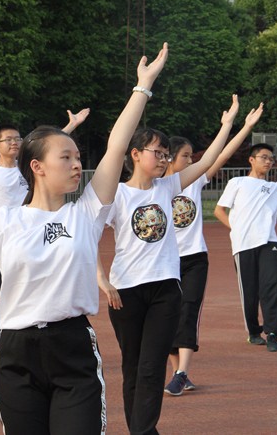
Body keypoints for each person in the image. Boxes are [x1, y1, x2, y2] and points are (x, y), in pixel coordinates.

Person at [0, 44, 168, 435]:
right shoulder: (4, 222)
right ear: (37, 167)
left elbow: (117, 146)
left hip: (72, 347)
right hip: (16, 352)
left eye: (78, 157)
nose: (77, 164)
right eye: (66, 158)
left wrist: (143, 86)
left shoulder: (87, 212)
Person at [96, 94, 234, 434]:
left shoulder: (168, 185)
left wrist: (227, 126)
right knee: (133, 367)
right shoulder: (116, 194)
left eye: (165, 154)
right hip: (125, 292)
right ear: (135, 155)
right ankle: (140, 429)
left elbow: (206, 162)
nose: (164, 158)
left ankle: (144, 430)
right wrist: (104, 281)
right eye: (157, 153)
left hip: (165, 288)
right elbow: (87, 239)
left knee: (153, 365)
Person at [163, 96, 265, 395]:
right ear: (169, 158)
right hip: (165, 261)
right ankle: (177, 372)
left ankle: (182, 373)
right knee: (168, 315)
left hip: (194, 258)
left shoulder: (194, 182)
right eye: (185, 156)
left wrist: (240, 126)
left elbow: (220, 156)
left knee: (189, 311)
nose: (191, 160)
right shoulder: (156, 187)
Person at [0, 109, 90, 298]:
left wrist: (71, 125)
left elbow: (48, 147)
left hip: (32, 236)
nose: (14, 142)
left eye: (18, 139)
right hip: (2, 240)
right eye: (8, 139)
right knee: (6, 296)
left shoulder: (28, 169)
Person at [214, 140, 277, 353]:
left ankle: (272, 333)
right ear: (251, 160)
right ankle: (254, 332)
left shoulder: (275, 188)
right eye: (264, 157)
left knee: (271, 287)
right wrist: (235, 230)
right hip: (243, 244)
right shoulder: (237, 182)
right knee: (250, 291)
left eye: (271, 159)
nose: (268, 162)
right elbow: (219, 211)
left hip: (268, 242)